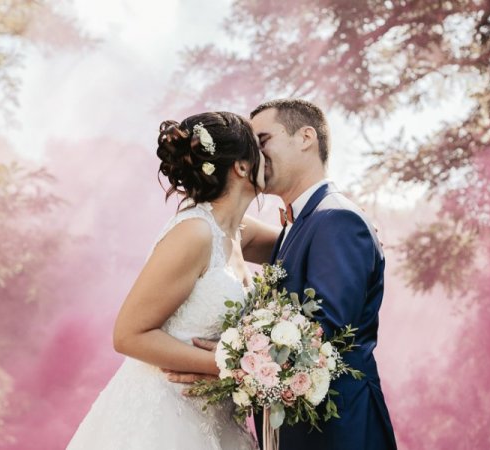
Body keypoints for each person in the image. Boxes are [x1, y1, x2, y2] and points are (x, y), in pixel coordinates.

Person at [169, 99, 398, 449]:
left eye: (262, 141)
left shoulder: (339, 220)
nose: (255, 156)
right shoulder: (301, 224)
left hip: (339, 432)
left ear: (306, 137)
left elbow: (322, 334)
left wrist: (229, 360)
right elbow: (218, 223)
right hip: (293, 431)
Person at [66, 111, 263, 450]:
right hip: (165, 416)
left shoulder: (237, 231)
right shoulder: (195, 232)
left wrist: (351, 222)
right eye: (261, 146)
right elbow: (127, 334)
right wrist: (233, 365)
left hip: (216, 417)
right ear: (243, 166)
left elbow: (304, 238)